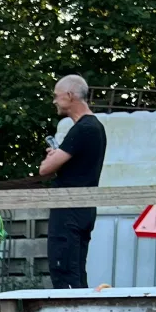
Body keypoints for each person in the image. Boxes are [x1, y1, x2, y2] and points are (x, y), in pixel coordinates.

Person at [39, 74, 107, 289]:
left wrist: (53, 158)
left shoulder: (82, 129)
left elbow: (45, 169)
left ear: (69, 96)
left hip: (69, 210)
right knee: (76, 268)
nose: (54, 101)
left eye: (57, 97)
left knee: (64, 270)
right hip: (84, 208)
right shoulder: (96, 127)